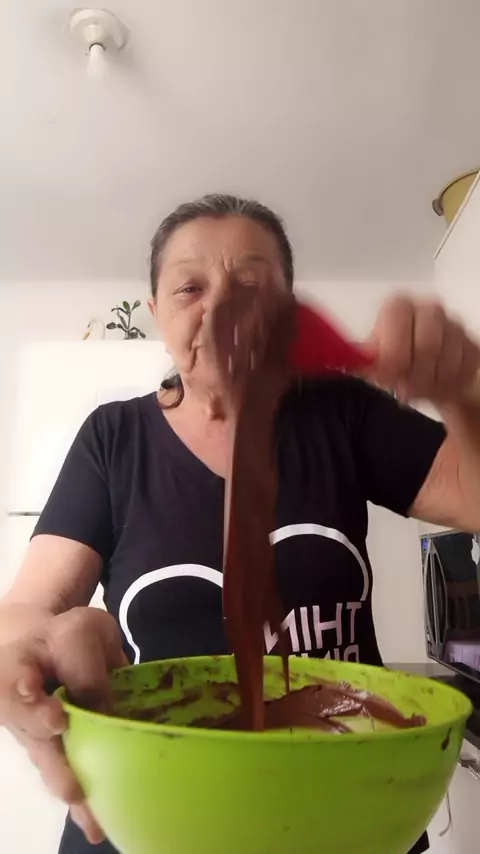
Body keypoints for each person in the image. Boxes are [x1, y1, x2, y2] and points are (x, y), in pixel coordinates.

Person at [1, 194, 480, 854]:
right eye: (190, 287)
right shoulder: (113, 439)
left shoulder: (343, 411)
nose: (221, 306)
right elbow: (28, 608)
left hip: (347, 806)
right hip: (145, 809)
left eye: (251, 286)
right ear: (156, 312)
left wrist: (464, 394)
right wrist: (30, 649)